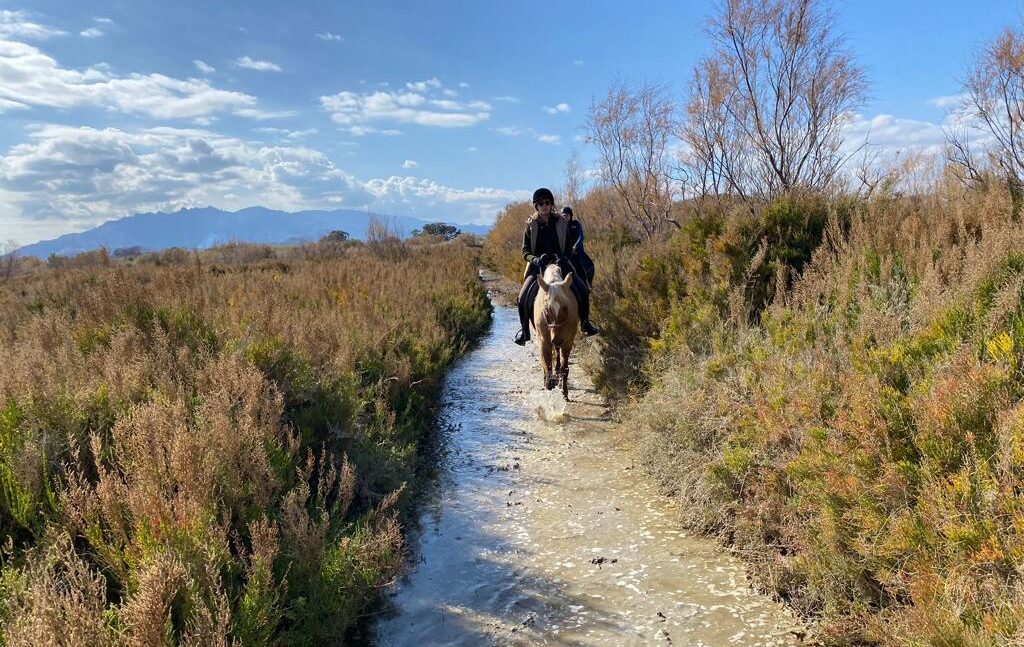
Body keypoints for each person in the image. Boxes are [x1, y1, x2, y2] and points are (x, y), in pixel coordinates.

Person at [514, 188, 599, 346]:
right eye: (540, 203)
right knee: (522, 296)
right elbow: (525, 251)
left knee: (582, 289)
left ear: (551, 204)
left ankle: (585, 322)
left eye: (547, 202)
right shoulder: (530, 225)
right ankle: (524, 331)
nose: (544, 206)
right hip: (538, 267)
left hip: (561, 265)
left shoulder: (561, 222)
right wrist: (536, 259)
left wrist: (563, 257)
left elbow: (568, 246)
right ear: (536, 206)